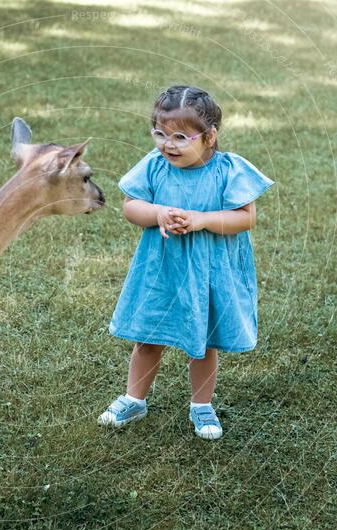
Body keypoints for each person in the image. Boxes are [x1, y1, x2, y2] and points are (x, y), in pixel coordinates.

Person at [100, 85, 275, 440]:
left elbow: (245, 218)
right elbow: (130, 208)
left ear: (209, 137)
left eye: (181, 136)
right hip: (161, 269)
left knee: (204, 339)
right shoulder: (154, 166)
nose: (168, 144)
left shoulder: (228, 170)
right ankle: (135, 398)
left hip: (208, 272)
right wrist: (159, 213)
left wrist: (202, 219)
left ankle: (201, 405)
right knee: (148, 335)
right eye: (160, 133)